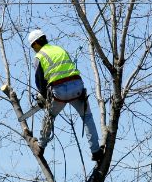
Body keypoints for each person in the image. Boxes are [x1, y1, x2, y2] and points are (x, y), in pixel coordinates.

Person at [26, 29, 104, 162]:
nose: (33, 49)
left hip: (59, 92)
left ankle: (41, 146)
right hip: (77, 87)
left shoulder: (38, 57)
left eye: (33, 46)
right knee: (87, 118)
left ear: (36, 44)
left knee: (49, 117)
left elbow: (39, 81)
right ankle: (96, 151)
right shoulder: (59, 49)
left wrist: (44, 97)